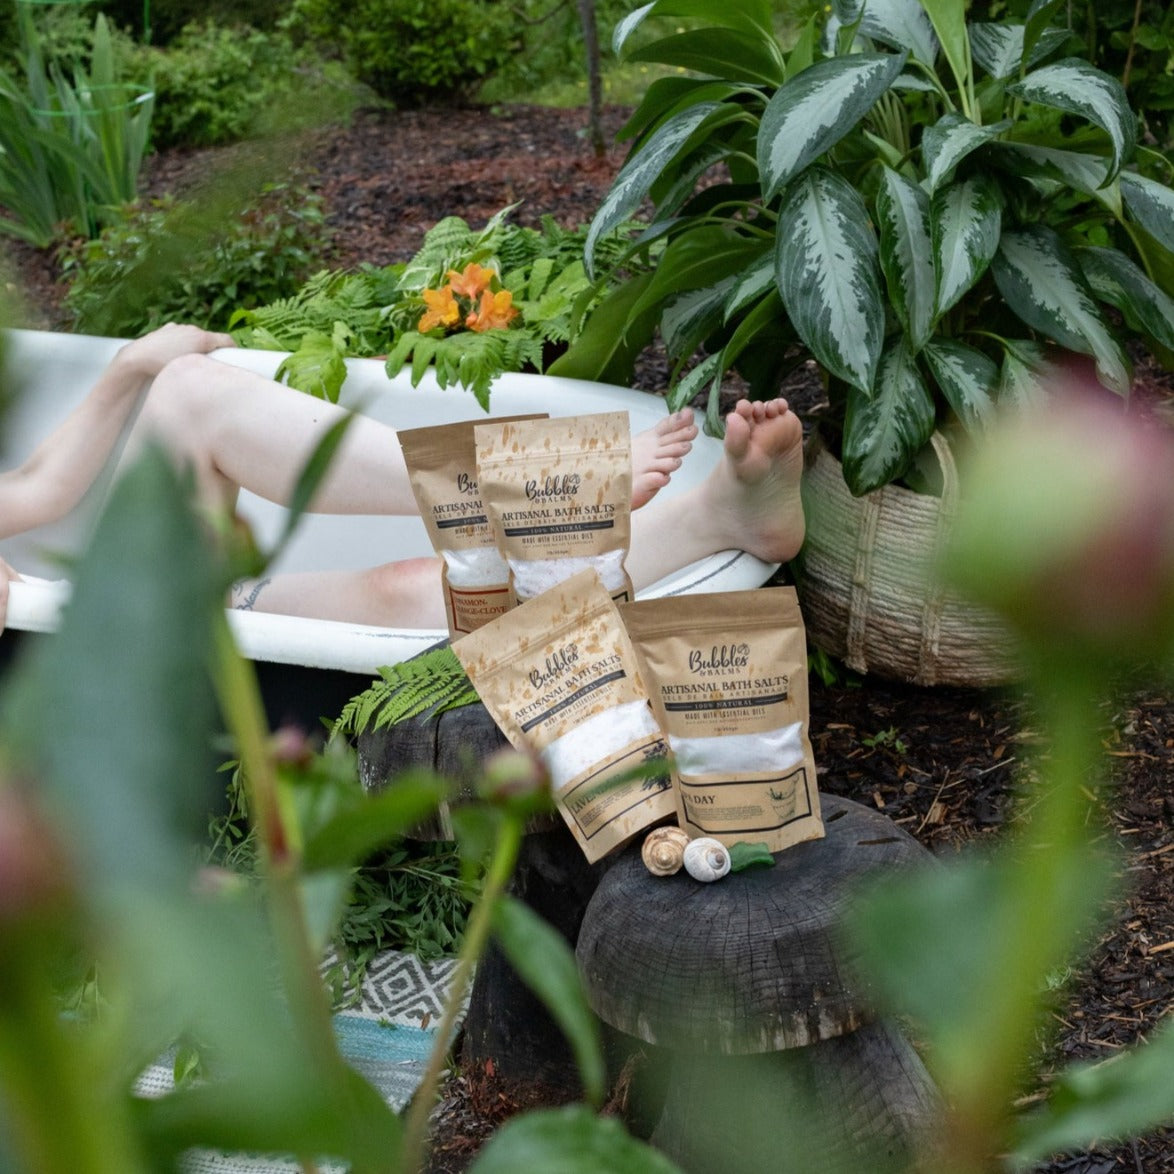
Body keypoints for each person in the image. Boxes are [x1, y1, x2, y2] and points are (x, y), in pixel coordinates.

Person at [0, 324, 806, 630]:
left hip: (149, 600)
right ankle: (525, 487)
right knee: (406, 591)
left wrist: (124, 369)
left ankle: (716, 518)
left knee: (405, 584)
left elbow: (38, 493)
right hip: (103, 650)